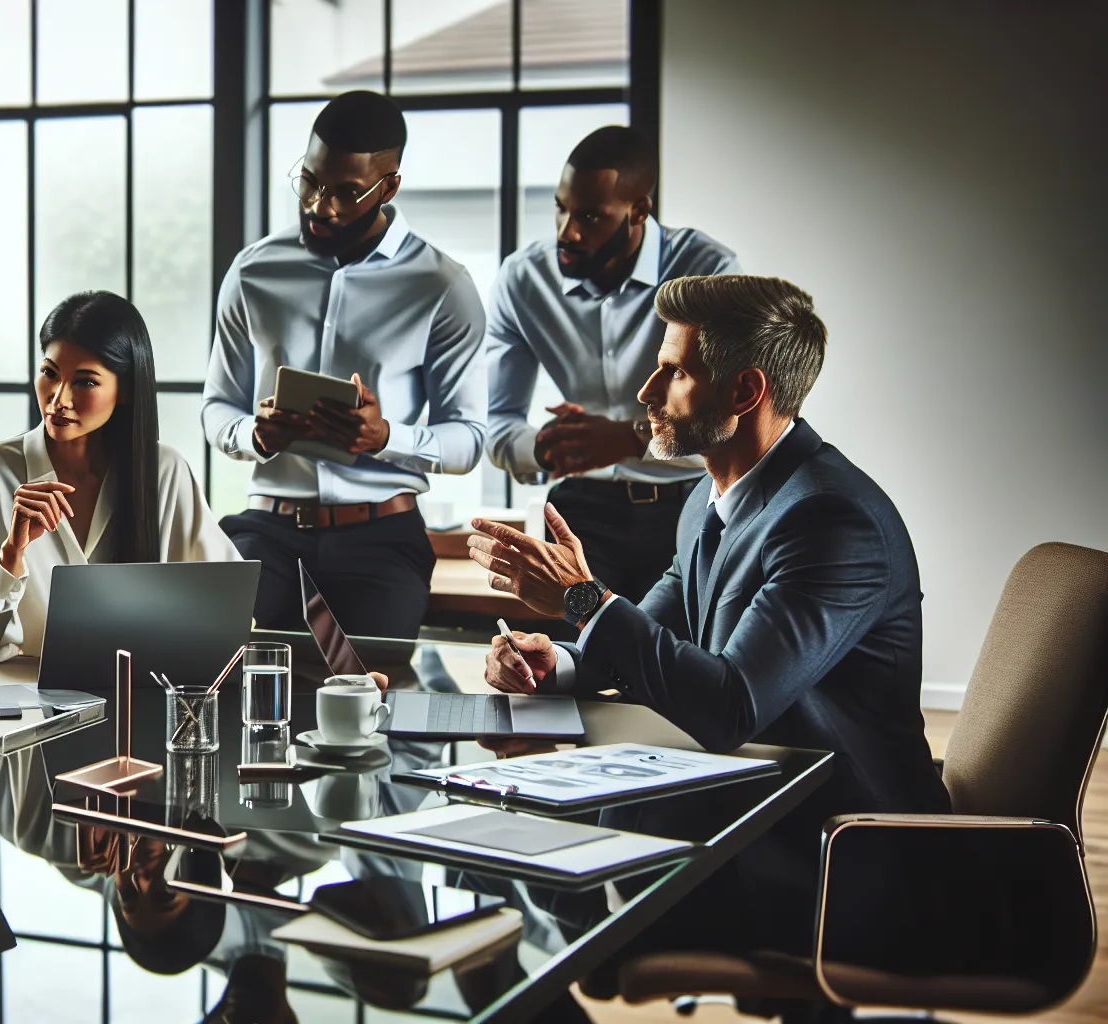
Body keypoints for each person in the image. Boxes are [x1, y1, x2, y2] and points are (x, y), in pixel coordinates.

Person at [469, 276, 948, 1014]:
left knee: (503, 886)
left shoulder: (829, 521)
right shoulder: (710, 498)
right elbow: (651, 633)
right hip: (747, 812)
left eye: (676, 371)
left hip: (833, 857)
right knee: (493, 859)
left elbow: (729, 705)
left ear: (743, 391)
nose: (647, 391)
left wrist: (581, 598)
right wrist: (554, 660)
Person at [203, 89, 486, 639]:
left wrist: (385, 437)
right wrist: (254, 435)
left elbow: (470, 439)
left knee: (366, 692)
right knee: (217, 652)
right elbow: (218, 407)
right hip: (268, 528)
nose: (319, 205)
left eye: (347, 192)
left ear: (389, 187)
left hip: (382, 536)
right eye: (310, 181)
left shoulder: (442, 286)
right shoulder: (253, 271)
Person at [486, 126, 740, 602]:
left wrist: (628, 438)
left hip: (689, 509)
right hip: (579, 514)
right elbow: (496, 427)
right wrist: (547, 447)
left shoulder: (709, 270)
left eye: (590, 216)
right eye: (561, 209)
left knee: (679, 667)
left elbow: (729, 424)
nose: (568, 232)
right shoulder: (523, 279)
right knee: (575, 663)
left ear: (638, 210)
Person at [0, 290, 239, 663]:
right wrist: (12, 556)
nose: (58, 399)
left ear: (126, 392)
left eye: (85, 382)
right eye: (49, 374)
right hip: (27, 702)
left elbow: (226, 604)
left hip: (141, 698)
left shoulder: (164, 472)